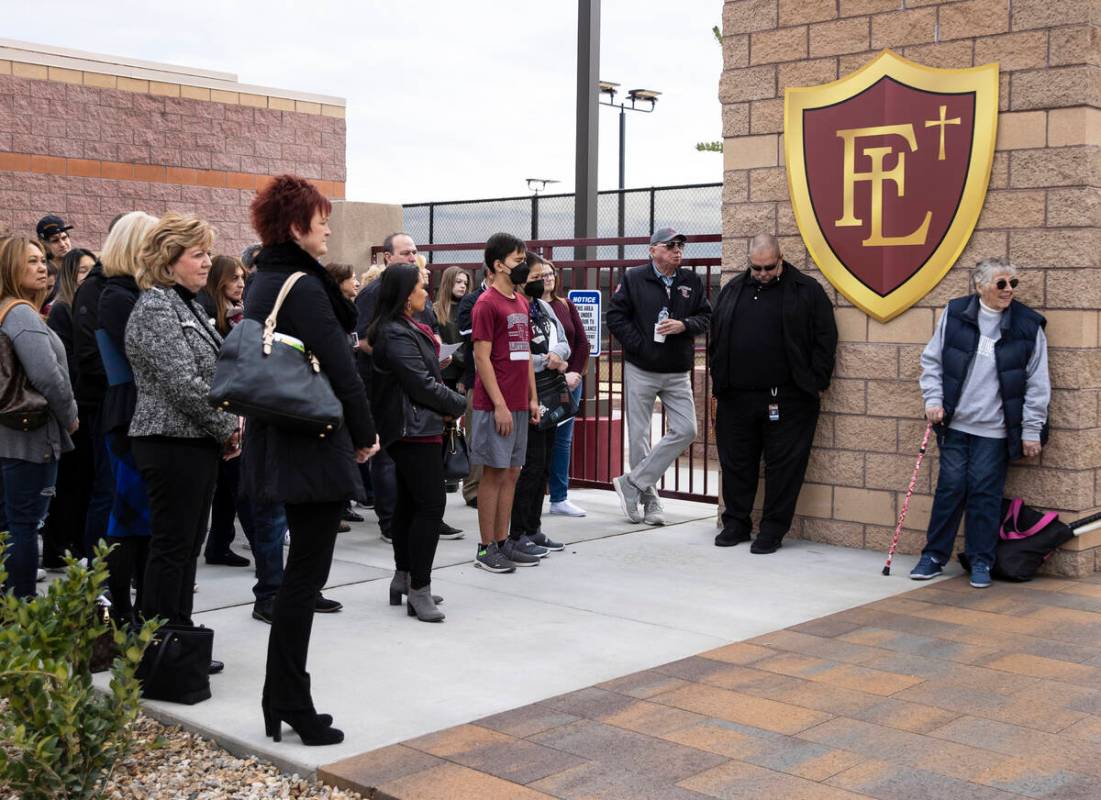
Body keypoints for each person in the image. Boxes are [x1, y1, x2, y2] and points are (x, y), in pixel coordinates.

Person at [240, 175, 378, 746]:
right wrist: (365, 433)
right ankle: (290, 701)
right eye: (321, 222)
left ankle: (282, 697)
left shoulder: (263, 280)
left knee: (299, 576)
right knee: (304, 578)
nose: (327, 230)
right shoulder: (302, 286)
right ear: (297, 228)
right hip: (312, 443)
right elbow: (341, 366)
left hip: (280, 438)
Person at [125, 213, 239, 647]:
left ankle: (180, 634)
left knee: (189, 542)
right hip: (169, 442)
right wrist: (228, 425)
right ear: (169, 261)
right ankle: (160, 641)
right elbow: (184, 384)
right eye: (198, 254)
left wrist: (226, 427)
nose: (208, 262)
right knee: (173, 545)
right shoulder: (156, 307)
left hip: (194, 442)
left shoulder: (186, 304)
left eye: (208, 252)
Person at [912, 257, 1050, 588]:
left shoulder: (1028, 326)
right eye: (1001, 283)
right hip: (956, 423)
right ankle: (934, 556)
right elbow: (932, 360)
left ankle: (981, 561)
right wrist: (932, 399)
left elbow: (1037, 382)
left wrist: (1031, 429)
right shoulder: (956, 313)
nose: (1008, 290)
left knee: (985, 493)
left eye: (1013, 284)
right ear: (979, 286)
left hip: (995, 429)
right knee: (950, 489)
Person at [709, 234, 837, 555]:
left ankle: (773, 529)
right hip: (736, 398)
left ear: (781, 258)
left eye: (769, 267)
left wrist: (816, 382)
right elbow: (717, 337)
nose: (763, 273)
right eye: (757, 268)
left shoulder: (806, 290)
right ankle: (736, 523)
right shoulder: (733, 290)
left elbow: (826, 339)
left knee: (783, 468)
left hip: (789, 399)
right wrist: (718, 384)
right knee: (737, 464)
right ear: (749, 262)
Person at [369, 263, 465, 620]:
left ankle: (404, 578)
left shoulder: (406, 327)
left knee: (410, 505)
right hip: (412, 430)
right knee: (430, 506)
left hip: (419, 426)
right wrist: (458, 404)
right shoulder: (395, 333)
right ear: (406, 296)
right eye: (421, 287)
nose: (427, 291)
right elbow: (421, 383)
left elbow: (424, 377)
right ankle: (418, 589)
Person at [607, 228, 712, 526]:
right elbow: (615, 316)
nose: (678, 250)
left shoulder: (690, 281)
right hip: (641, 368)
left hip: (677, 370)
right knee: (639, 438)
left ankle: (632, 483)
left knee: (687, 429)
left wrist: (685, 325)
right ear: (653, 250)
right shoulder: (634, 278)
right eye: (671, 246)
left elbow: (706, 316)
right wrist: (640, 346)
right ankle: (649, 499)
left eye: (681, 245)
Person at [0, 236, 78, 598]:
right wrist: (70, 416)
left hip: (9, 437)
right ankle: (23, 609)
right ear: (10, 269)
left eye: (42, 260)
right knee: (24, 526)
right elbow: (48, 376)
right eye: (31, 261)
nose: (42, 266)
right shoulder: (21, 314)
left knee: (8, 525)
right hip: (28, 438)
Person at [97, 211, 160, 626]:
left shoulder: (130, 294)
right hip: (130, 419)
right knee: (130, 523)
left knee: (142, 524)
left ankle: (136, 611)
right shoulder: (119, 296)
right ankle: (123, 611)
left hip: (135, 417)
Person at [469, 232, 540, 573]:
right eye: (517, 260)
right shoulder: (486, 304)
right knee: (494, 473)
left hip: (520, 404)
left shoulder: (521, 303)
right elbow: (481, 358)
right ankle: (485, 548)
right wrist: (499, 404)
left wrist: (532, 398)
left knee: (512, 472)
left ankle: (502, 541)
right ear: (498, 265)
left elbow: (525, 354)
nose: (523, 266)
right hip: (494, 405)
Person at [506, 254, 569, 560]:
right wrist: (546, 360)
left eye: (545, 276)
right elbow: (512, 354)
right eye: (535, 276)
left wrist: (557, 355)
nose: (542, 281)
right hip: (527, 394)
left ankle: (533, 528)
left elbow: (564, 341)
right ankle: (516, 534)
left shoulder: (543, 307)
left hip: (549, 391)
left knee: (544, 463)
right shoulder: (513, 307)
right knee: (529, 466)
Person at [40, 247, 98, 568]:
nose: (89, 276)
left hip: (86, 409)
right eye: (83, 270)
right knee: (70, 484)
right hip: (73, 409)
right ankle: (58, 547)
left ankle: (72, 542)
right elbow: (63, 365)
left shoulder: (86, 307)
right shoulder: (63, 309)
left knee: (83, 482)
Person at [202, 255, 254, 568]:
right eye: (234, 278)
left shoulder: (237, 316)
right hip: (222, 412)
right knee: (241, 487)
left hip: (237, 408)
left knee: (226, 488)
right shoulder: (211, 316)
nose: (240, 284)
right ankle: (267, 557)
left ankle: (218, 545)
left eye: (242, 278)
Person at [545, 259, 590, 518]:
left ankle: (559, 498)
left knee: (563, 441)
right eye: (543, 275)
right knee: (536, 442)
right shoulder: (528, 307)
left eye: (552, 274)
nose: (549, 278)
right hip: (543, 383)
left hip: (571, 382)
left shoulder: (565, 305)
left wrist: (573, 372)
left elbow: (581, 342)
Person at [456, 269, 491, 508]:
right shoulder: (472, 299)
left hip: (505, 380)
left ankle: (491, 488)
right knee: (477, 437)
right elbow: (467, 333)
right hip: (477, 380)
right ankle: (473, 491)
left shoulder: (513, 298)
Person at [433, 266, 469, 393]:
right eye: (458, 281)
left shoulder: (470, 309)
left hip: (466, 374)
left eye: (465, 283)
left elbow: (474, 345)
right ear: (448, 282)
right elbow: (437, 343)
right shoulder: (435, 310)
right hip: (444, 374)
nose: (463, 286)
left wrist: (465, 377)